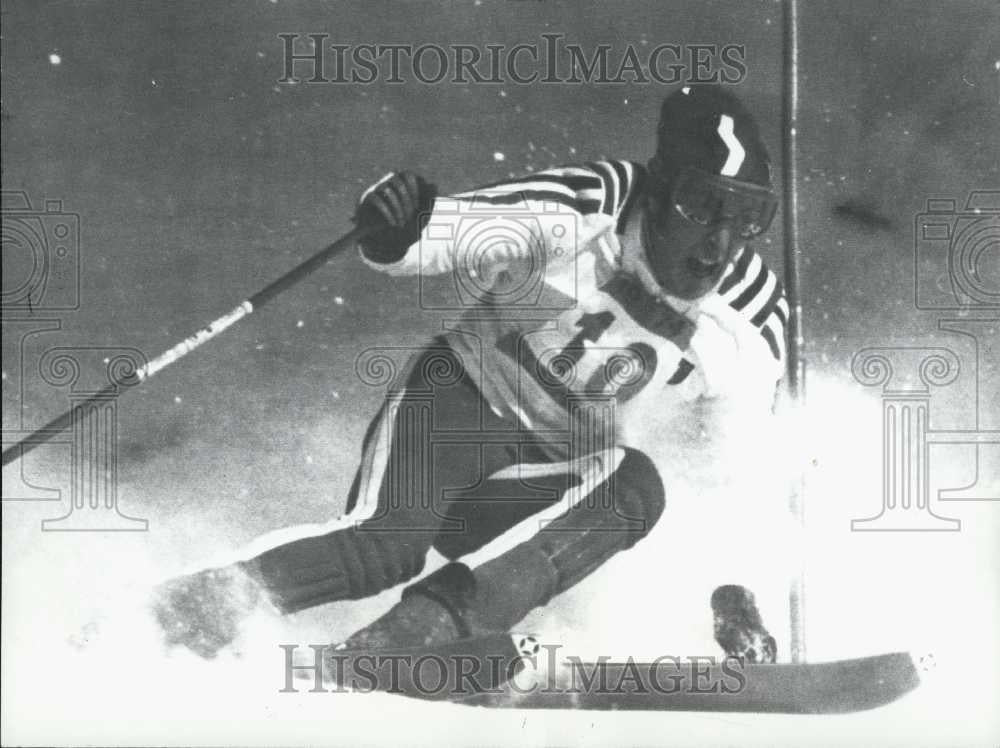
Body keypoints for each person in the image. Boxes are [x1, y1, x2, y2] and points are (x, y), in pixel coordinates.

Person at [153, 84, 786, 664]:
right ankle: (163, 620)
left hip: (537, 478)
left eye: (748, 217)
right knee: (382, 549)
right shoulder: (592, 204)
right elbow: (457, 230)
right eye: (702, 206)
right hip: (455, 407)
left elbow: (734, 468)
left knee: (636, 485)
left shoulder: (749, 318)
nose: (721, 243)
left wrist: (735, 592)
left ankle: (428, 633)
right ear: (658, 189)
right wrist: (402, 226)